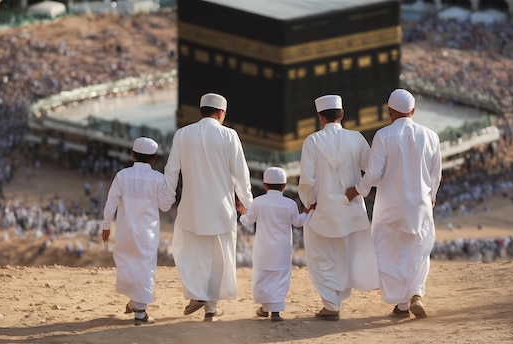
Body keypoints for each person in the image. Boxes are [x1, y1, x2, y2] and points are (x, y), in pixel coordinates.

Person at [346, 88, 442, 319]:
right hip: (419, 204)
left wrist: (358, 190)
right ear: (413, 111)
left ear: (390, 112)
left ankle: (401, 304)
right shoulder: (430, 136)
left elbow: (374, 172)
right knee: (418, 250)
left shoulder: (383, 135)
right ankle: (416, 293)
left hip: (389, 206)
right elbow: (435, 174)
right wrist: (432, 196)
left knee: (389, 253)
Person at [163, 93, 254, 322]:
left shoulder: (182, 134)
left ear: (200, 111)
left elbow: (171, 170)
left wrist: (166, 199)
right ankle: (210, 307)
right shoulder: (229, 135)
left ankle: (198, 294)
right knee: (218, 258)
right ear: (221, 113)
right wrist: (248, 204)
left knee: (190, 253)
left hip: (191, 209)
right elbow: (241, 175)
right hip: (221, 209)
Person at [298, 94, 380, 321]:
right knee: (346, 257)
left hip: (324, 211)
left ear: (320, 117)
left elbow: (307, 181)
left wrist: (309, 203)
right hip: (352, 210)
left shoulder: (312, 141)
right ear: (342, 114)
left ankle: (331, 304)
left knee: (321, 257)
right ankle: (337, 300)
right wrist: (360, 190)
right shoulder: (356, 138)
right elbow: (372, 170)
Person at [101, 137, 175, 325]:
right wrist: (171, 189)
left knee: (128, 266)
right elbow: (165, 206)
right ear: (154, 159)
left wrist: (106, 226)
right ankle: (140, 313)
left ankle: (134, 302)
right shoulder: (159, 179)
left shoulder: (122, 175)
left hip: (125, 232)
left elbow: (111, 202)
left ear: (132, 154)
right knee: (145, 269)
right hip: (147, 234)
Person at [236, 167, 308, 322]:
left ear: (264, 185)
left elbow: (248, 221)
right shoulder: (290, 204)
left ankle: (264, 308)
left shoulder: (258, 202)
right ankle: (275, 312)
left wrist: (242, 211)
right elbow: (298, 222)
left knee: (263, 276)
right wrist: (308, 211)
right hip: (282, 249)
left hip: (263, 249)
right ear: (284, 185)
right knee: (280, 277)